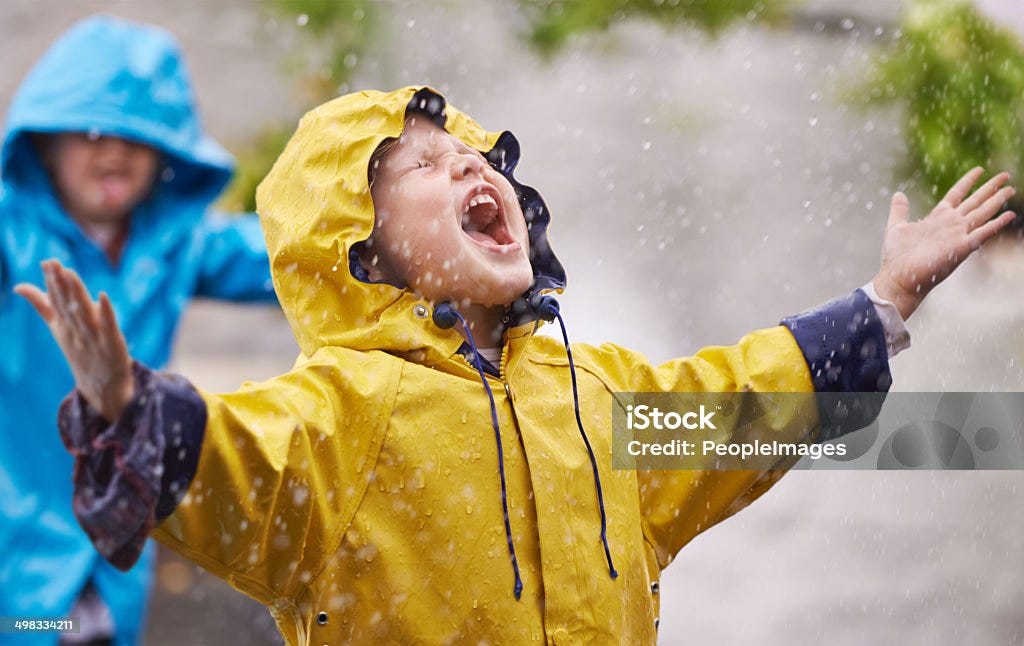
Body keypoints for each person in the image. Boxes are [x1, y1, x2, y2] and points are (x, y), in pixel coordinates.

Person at [17, 87, 1015, 644]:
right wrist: (125, 405)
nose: (469, 166)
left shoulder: (594, 394)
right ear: (359, 254)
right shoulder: (344, 417)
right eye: (419, 166)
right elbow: (238, 461)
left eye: (477, 158)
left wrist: (883, 304)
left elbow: (736, 403)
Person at [0, 15, 276, 645]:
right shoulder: (11, 231)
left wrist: (393, 244)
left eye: (140, 136)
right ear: (46, 143)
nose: (115, 150)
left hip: (120, 528)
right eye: (93, 131)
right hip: (19, 531)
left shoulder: (175, 244)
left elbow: (281, 257)